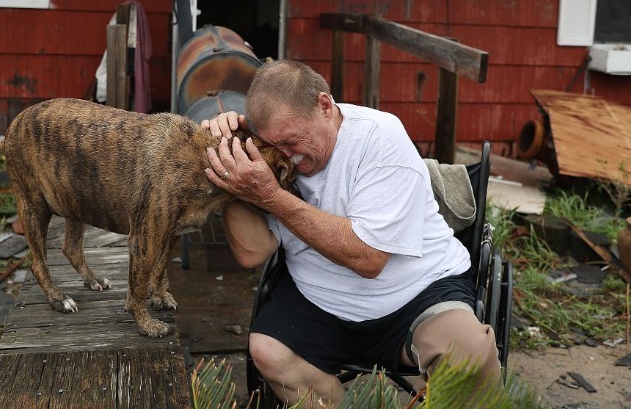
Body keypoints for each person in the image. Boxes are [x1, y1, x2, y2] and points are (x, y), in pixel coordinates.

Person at [201, 59, 501, 406]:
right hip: (320, 299)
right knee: (267, 350)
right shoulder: (270, 149)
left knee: (470, 354)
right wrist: (228, 169)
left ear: (325, 106)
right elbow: (252, 252)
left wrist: (271, 196)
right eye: (274, 146)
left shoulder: (378, 137)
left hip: (415, 292)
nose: (286, 157)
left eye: (293, 141)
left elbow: (369, 258)